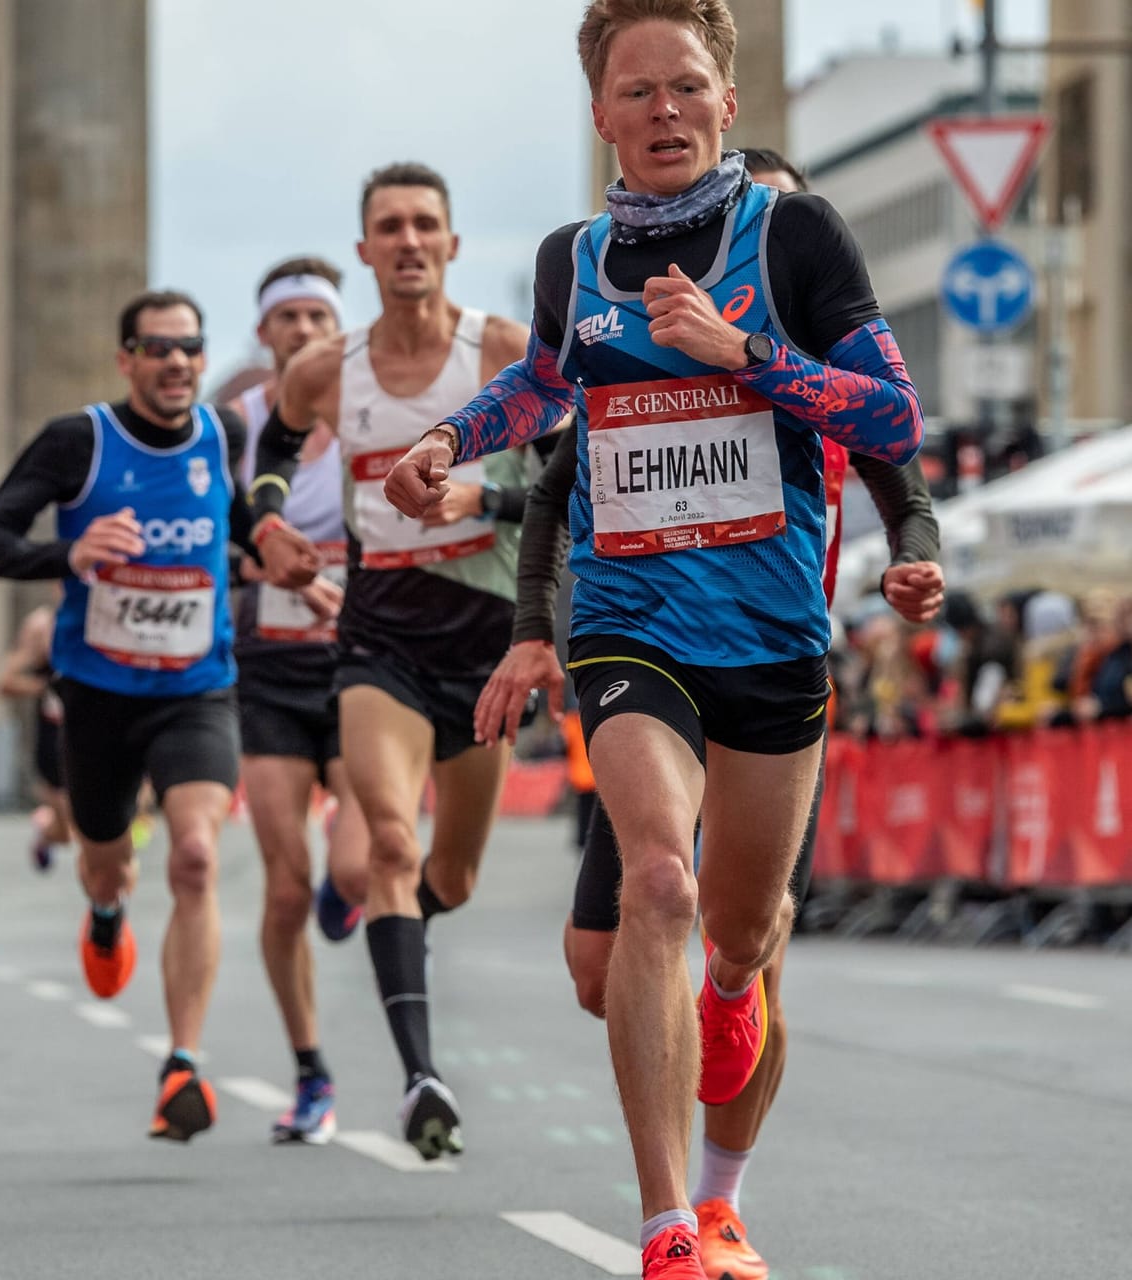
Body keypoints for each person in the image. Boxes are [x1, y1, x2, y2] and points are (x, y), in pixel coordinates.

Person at [383, 5, 925, 1271]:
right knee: (657, 881)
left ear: (728, 103)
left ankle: (733, 998)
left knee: (740, 933)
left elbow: (892, 410)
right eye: (638, 92)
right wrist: (446, 441)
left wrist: (742, 352)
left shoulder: (793, 234)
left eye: (687, 87)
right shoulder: (573, 258)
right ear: (601, 115)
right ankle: (668, 1219)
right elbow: (544, 390)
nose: (664, 111)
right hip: (631, 625)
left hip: (774, 635)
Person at [246, 162, 554, 1159]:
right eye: (391, 226)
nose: (410, 240)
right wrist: (268, 526)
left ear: (453, 246)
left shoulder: (504, 352)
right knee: (387, 842)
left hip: (485, 641)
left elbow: (576, 483)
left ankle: (399, 923)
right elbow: (276, 452)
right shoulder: (329, 369)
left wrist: (485, 500)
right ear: (365, 250)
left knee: (449, 874)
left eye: (427, 224)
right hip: (379, 636)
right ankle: (421, 1072)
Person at [0, 288, 250, 1144]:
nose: (176, 363)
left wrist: (278, 559)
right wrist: (71, 551)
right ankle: (103, 912)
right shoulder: (77, 441)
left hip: (197, 688)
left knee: (196, 857)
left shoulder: (222, 435)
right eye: (156, 349)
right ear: (126, 359)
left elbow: (236, 524)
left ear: (202, 359)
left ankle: (183, 1064)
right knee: (106, 861)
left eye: (189, 348)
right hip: (97, 695)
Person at [227, 255, 371, 1144]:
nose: (307, 332)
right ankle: (311, 1071)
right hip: (271, 671)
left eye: (321, 317)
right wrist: (265, 561)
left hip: (362, 666)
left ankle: (347, 890)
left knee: (354, 867)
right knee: (284, 893)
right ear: (267, 334)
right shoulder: (236, 426)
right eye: (290, 320)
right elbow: (206, 540)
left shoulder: (369, 419)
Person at [0, 602, 76, 872]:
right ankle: (45, 833)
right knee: (67, 833)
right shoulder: (43, 635)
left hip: (85, 749)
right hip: (51, 751)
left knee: (85, 830)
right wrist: (31, 658)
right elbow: (5, 681)